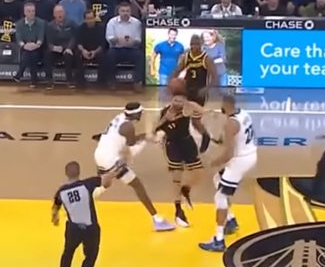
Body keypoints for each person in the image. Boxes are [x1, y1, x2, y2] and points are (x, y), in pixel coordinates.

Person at [94, 102, 175, 231]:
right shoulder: (128, 127)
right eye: (140, 113)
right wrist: (149, 138)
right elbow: (131, 145)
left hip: (100, 154)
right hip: (111, 159)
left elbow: (129, 139)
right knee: (137, 185)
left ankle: (84, 199)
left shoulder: (120, 118)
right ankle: (157, 219)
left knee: (104, 184)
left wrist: (146, 136)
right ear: (136, 114)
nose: (141, 114)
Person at [199, 95, 257, 252]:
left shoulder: (230, 124)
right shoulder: (244, 114)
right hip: (250, 154)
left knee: (220, 197)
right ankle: (230, 221)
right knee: (217, 179)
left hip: (240, 161)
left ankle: (219, 240)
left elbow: (229, 154)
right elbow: (237, 138)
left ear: (225, 105)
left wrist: (214, 162)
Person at [52, 161, 115, 267]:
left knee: (67, 254)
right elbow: (106, 182)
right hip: (90, 229)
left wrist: (55, 217)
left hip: (73, 229)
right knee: (91, 255)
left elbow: (56, 205)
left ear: (66, 173)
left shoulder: (61, 191)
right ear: (79, 172)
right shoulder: (87, 184)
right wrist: (113, 171)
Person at [154, 91, 209, 227]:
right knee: (176, 179)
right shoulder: (164, 112)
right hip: (173, 146)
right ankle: (178, 210)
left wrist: (191, 104)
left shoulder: (187, 110)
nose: (177, 103)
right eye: (175, 100)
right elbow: (155, 129)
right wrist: (165, 119)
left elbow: (202, 113)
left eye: (180, 100)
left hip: (187, 143)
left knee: (199, 173)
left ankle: (186, 189)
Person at [104, 2, 143, 91]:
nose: (125, 13)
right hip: (116, 49)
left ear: (130, 12)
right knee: (109, 54)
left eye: (127, 11)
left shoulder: (137, 23)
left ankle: (137, 82)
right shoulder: (112, 22)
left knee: (140, 55)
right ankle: (111, 81)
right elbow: (109, 39)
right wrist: (118, 40)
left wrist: (132, 42)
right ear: (119, 12)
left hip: (132, 49)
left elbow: (138, 40)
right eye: (123, 11)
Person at [172, 34, 216, 106]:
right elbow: (177, 70)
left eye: (197, 44)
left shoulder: (207, 58)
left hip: (200, 91)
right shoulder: (186, 57)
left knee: (197, 111)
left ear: (201, 45)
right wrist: (172, 82)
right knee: (186, 110)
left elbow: (214, 77)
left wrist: (206, 89)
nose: (195, 46)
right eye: (192, 44)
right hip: (187, 90)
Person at [13, 2, 46, 87]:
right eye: (29, 11)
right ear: (25, 12)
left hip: (38, 48)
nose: (31, 13)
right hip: (25, 48)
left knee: (32, 54)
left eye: (33, 11)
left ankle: (20, 73)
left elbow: (41, 38)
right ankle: (34, 79)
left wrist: (36, 45)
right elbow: (19, 39)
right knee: (30, 54)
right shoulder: (19, 24)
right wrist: (25, 46)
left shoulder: (41, 23)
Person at [45, 4, 76, 89]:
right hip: (56, 49)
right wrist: (53, 48)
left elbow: (74, 37)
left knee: (68, 56)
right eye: (57, 12)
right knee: (47, 55)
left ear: (64, 13)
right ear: (54, 14)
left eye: (61, 12)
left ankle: (70, 80)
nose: (60, 14)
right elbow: (48, 41)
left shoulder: (71, 23)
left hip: (68, 48)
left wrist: (69, 48)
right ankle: (49, 80)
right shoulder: (50, 26)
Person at [75, 10, 106, 86]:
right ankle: (80, 82)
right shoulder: (80, 28)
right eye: (88, 18)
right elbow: (78, 43)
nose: (90, 20)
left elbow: (103, 44)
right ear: (85, 20)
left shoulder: (101, 28)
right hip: (84, 51)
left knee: (104, 56)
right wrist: (83, 51)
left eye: (92, 18)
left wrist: (95, 52)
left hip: (97, 51)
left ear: (95, 18)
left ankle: (101, 83)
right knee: (77, 55)